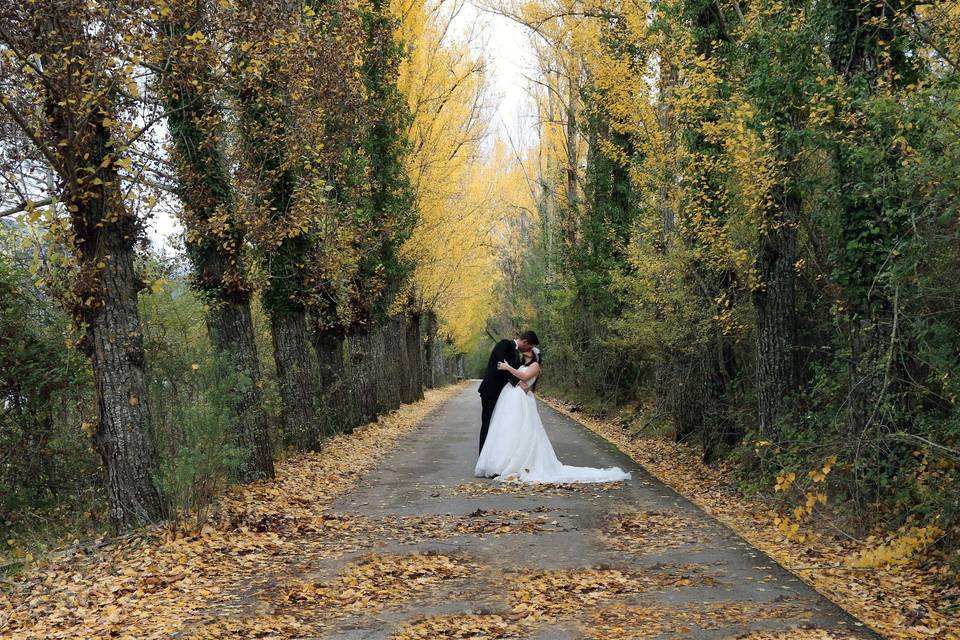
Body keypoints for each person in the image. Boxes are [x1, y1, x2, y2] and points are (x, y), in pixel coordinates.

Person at [475, 346, 631, 484]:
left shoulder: (535, 366)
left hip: (521, 400)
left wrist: (508, 368)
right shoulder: (522, 365)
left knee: (523, 433)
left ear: (534, 355)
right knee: (509, 432)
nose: (525, 354)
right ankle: (503, 463)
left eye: (529, 352)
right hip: (515, 400)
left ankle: (516, 464)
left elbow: (524, 379)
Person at [476, 331, 538, 453]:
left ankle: (494, 455)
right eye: (530, 346)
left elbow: (520, 371)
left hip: (503, 395)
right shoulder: (504, 344)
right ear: (525, 342)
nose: (529, 349)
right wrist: (518, 382)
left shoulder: (517, 355)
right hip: (491, 391)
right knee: (488, 423)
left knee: (497, 426)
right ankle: (483, 456)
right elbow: (501, 366)